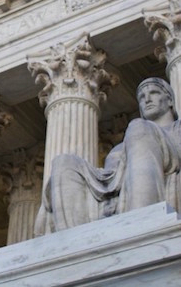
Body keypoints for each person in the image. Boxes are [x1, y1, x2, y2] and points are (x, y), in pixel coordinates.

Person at [37, 77, 181, 234]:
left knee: (139, 126)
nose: (147, 99)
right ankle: (74, 242)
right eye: (141, 97)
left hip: (165, 167)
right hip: (116, 185)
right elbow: (110, 182)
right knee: (63, 162)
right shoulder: (123, 146)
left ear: (170, 101)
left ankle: (141, 224)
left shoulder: (173, 130)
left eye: (154, 93)